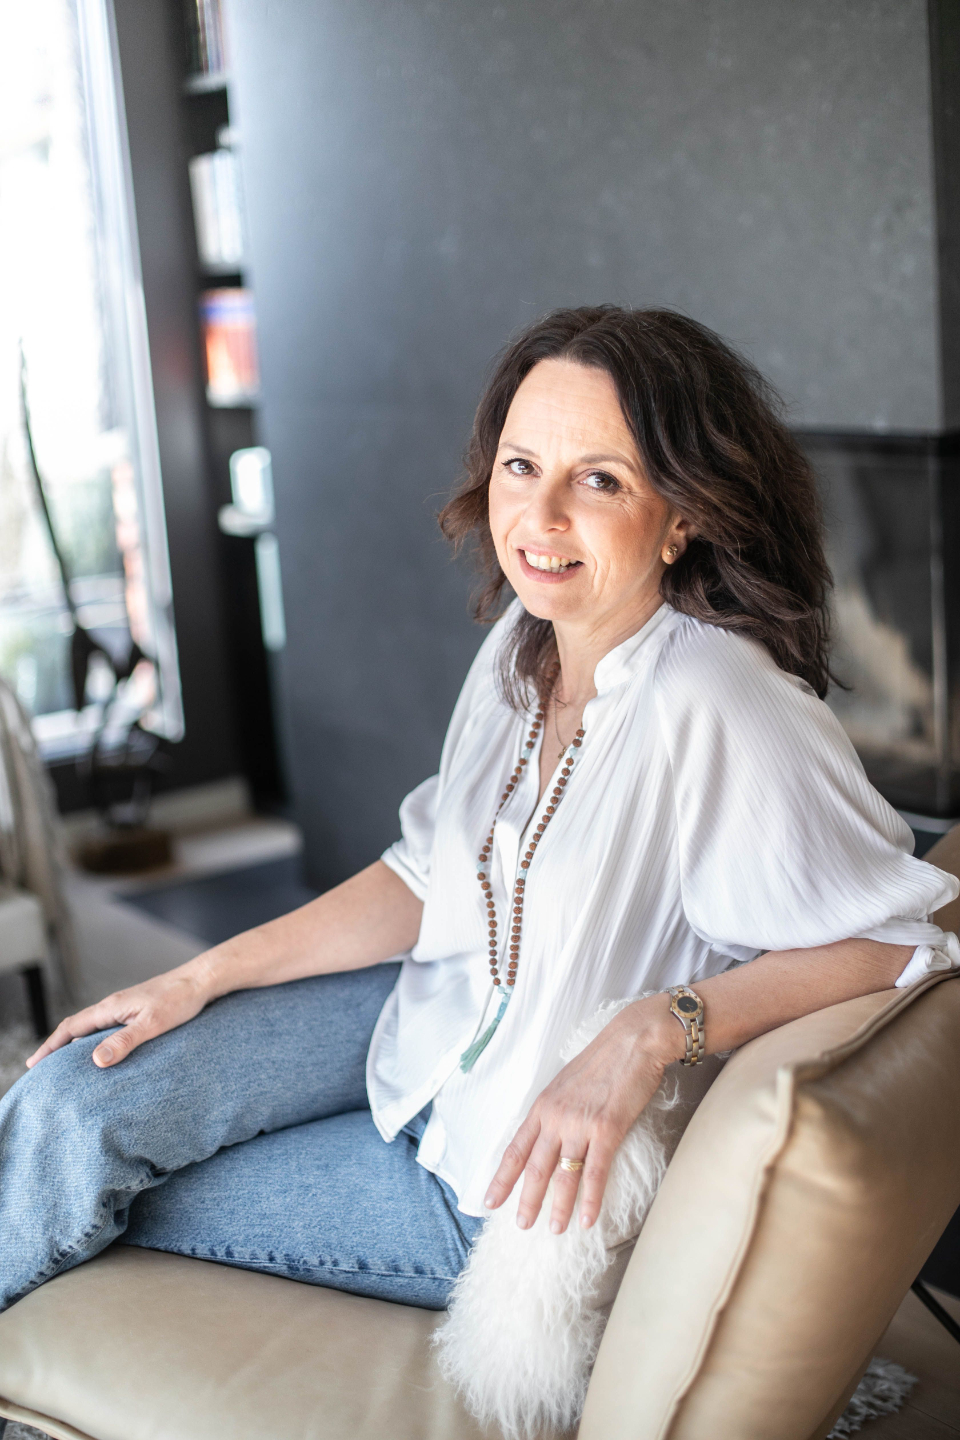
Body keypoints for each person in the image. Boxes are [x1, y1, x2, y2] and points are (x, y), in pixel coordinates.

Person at [2, 306, 957, 1315]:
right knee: (70, 1107)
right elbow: (429, 874)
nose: (540, 516)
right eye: (521, 466)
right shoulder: (522, 640)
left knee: (88, 1178)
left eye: (600, 479)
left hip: (496, 1190)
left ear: (683, 516)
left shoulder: (721, 699)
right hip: (422, 1022)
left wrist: (653, 1029)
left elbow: (896, 941)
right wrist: (198, 976)